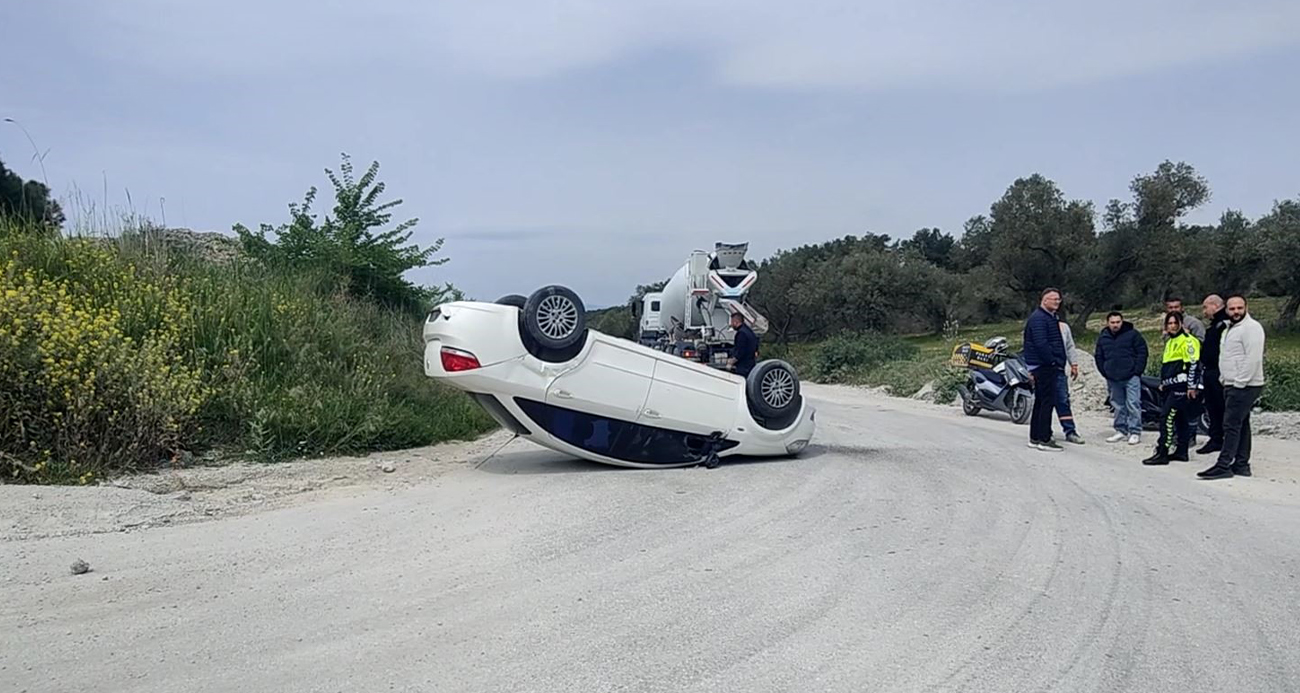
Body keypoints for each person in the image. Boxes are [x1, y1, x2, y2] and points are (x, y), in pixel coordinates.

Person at [1198, 295, 1266, 480]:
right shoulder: (1229, 328)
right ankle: (1241, 464)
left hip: (1245, 385)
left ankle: (1223, 464)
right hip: (1229, 382)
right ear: (1226, 310)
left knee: (1230, 424)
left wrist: (1239, 383)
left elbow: (1253, 358)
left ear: (1246, 307)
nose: (1236, 312)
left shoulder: (1252, 328)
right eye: (1232, 309)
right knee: (1241, 424)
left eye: (1239, 308)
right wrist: (1223, 377)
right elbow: (1226, 355)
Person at [1142, 312, 1202, 465]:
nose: (1173, 326)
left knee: (1166, 417)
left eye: (1176, 323)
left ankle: (1162, 452)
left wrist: (1191, 386)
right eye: (1170, 323)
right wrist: (1164, 382)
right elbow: (1169, 366)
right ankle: (1182, 452)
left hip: (1182, 387)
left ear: (1182, 324)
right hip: (1170, 385)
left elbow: (1193, 365)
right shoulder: (1170, 341)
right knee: (1181, 419)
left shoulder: (1189, 341)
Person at [1022, 288, 1068, 452]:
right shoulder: (1040, 319)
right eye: (1053, 299)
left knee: (1040, 402)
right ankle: (1044, 439)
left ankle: (1035, 437)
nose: (1057, 302)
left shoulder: (1047, 317)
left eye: (1058, 299)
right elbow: (1041, 344)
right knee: (1047, 402)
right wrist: (1053, 362)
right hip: (1045, 366)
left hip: (1042, 366)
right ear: (1044, 300)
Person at [1093, 311, 1148, 445]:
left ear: (1122, 322)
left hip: (1131, 376)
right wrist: (1105, 371)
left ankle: (1135, 431)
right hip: (1113, 378)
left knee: (1133, 403)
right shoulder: (1103, 337)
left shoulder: (1133, 334)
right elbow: (1099, 356)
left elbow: (1142, 352)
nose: (1115, 325)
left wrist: (1137, 371)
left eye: (1118, 322)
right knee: (1118, 405)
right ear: (1107, 323)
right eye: (1112, 322)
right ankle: (1121, 430)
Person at [1197, 294, 1231, 454]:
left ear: (1215, 305)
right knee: (1211, 406)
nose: (1204, 311)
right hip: (1210, 370)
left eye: (1205, 307)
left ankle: (1223, 440)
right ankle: (1215, 438)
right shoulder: (1215, 324)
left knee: (1220, 406)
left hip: (1219, 371)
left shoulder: (1224, 324)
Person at [1055, 319, 1083, 444]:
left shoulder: (1064, 327)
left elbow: (1070, 346)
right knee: (1045, 402)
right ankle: (1045, 432)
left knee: (1063, 400)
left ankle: (1070, 431)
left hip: (1060, 370)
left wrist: (1074, 364)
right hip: (1044, 371)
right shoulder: (1039, 325)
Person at [727, 312, 759, 377]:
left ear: (735, 321)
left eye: (732, 322)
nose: (731, 324)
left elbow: (740, 351)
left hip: (743, 367)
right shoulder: (750, 331)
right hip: (751, 364)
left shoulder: (741, 334)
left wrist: (731, 362)